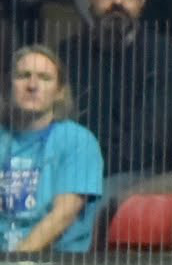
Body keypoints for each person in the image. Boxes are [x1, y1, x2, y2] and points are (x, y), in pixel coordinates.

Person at [58, 0, 172, 196]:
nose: (117, 1)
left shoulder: (161, 53)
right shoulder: (66, 53)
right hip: (71, 170)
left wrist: (89, 171)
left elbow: (152, 139)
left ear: (142, 2)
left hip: (137, 174)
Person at [1, 45, 104, 253]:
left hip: (54, 263)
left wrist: (12, 262)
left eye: (44, 78)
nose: (32, 85)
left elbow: (63, 215)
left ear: (59, 92)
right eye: (23, 76)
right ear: (8, 86)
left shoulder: (78, 140)